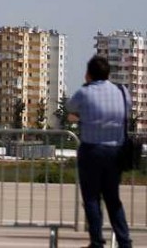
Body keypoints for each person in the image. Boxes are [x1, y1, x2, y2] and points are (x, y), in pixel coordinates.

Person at [67, 55, 133, 248]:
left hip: (92, 150)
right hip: (115, 151)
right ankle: (124, 241)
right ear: (108, 73)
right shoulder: (122, 92)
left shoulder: (84, 93)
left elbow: (71, 107)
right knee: (113, 199)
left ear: (89, 74)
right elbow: (126, 111)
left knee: (91, 198)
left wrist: (83, 116)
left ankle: (97, 241)